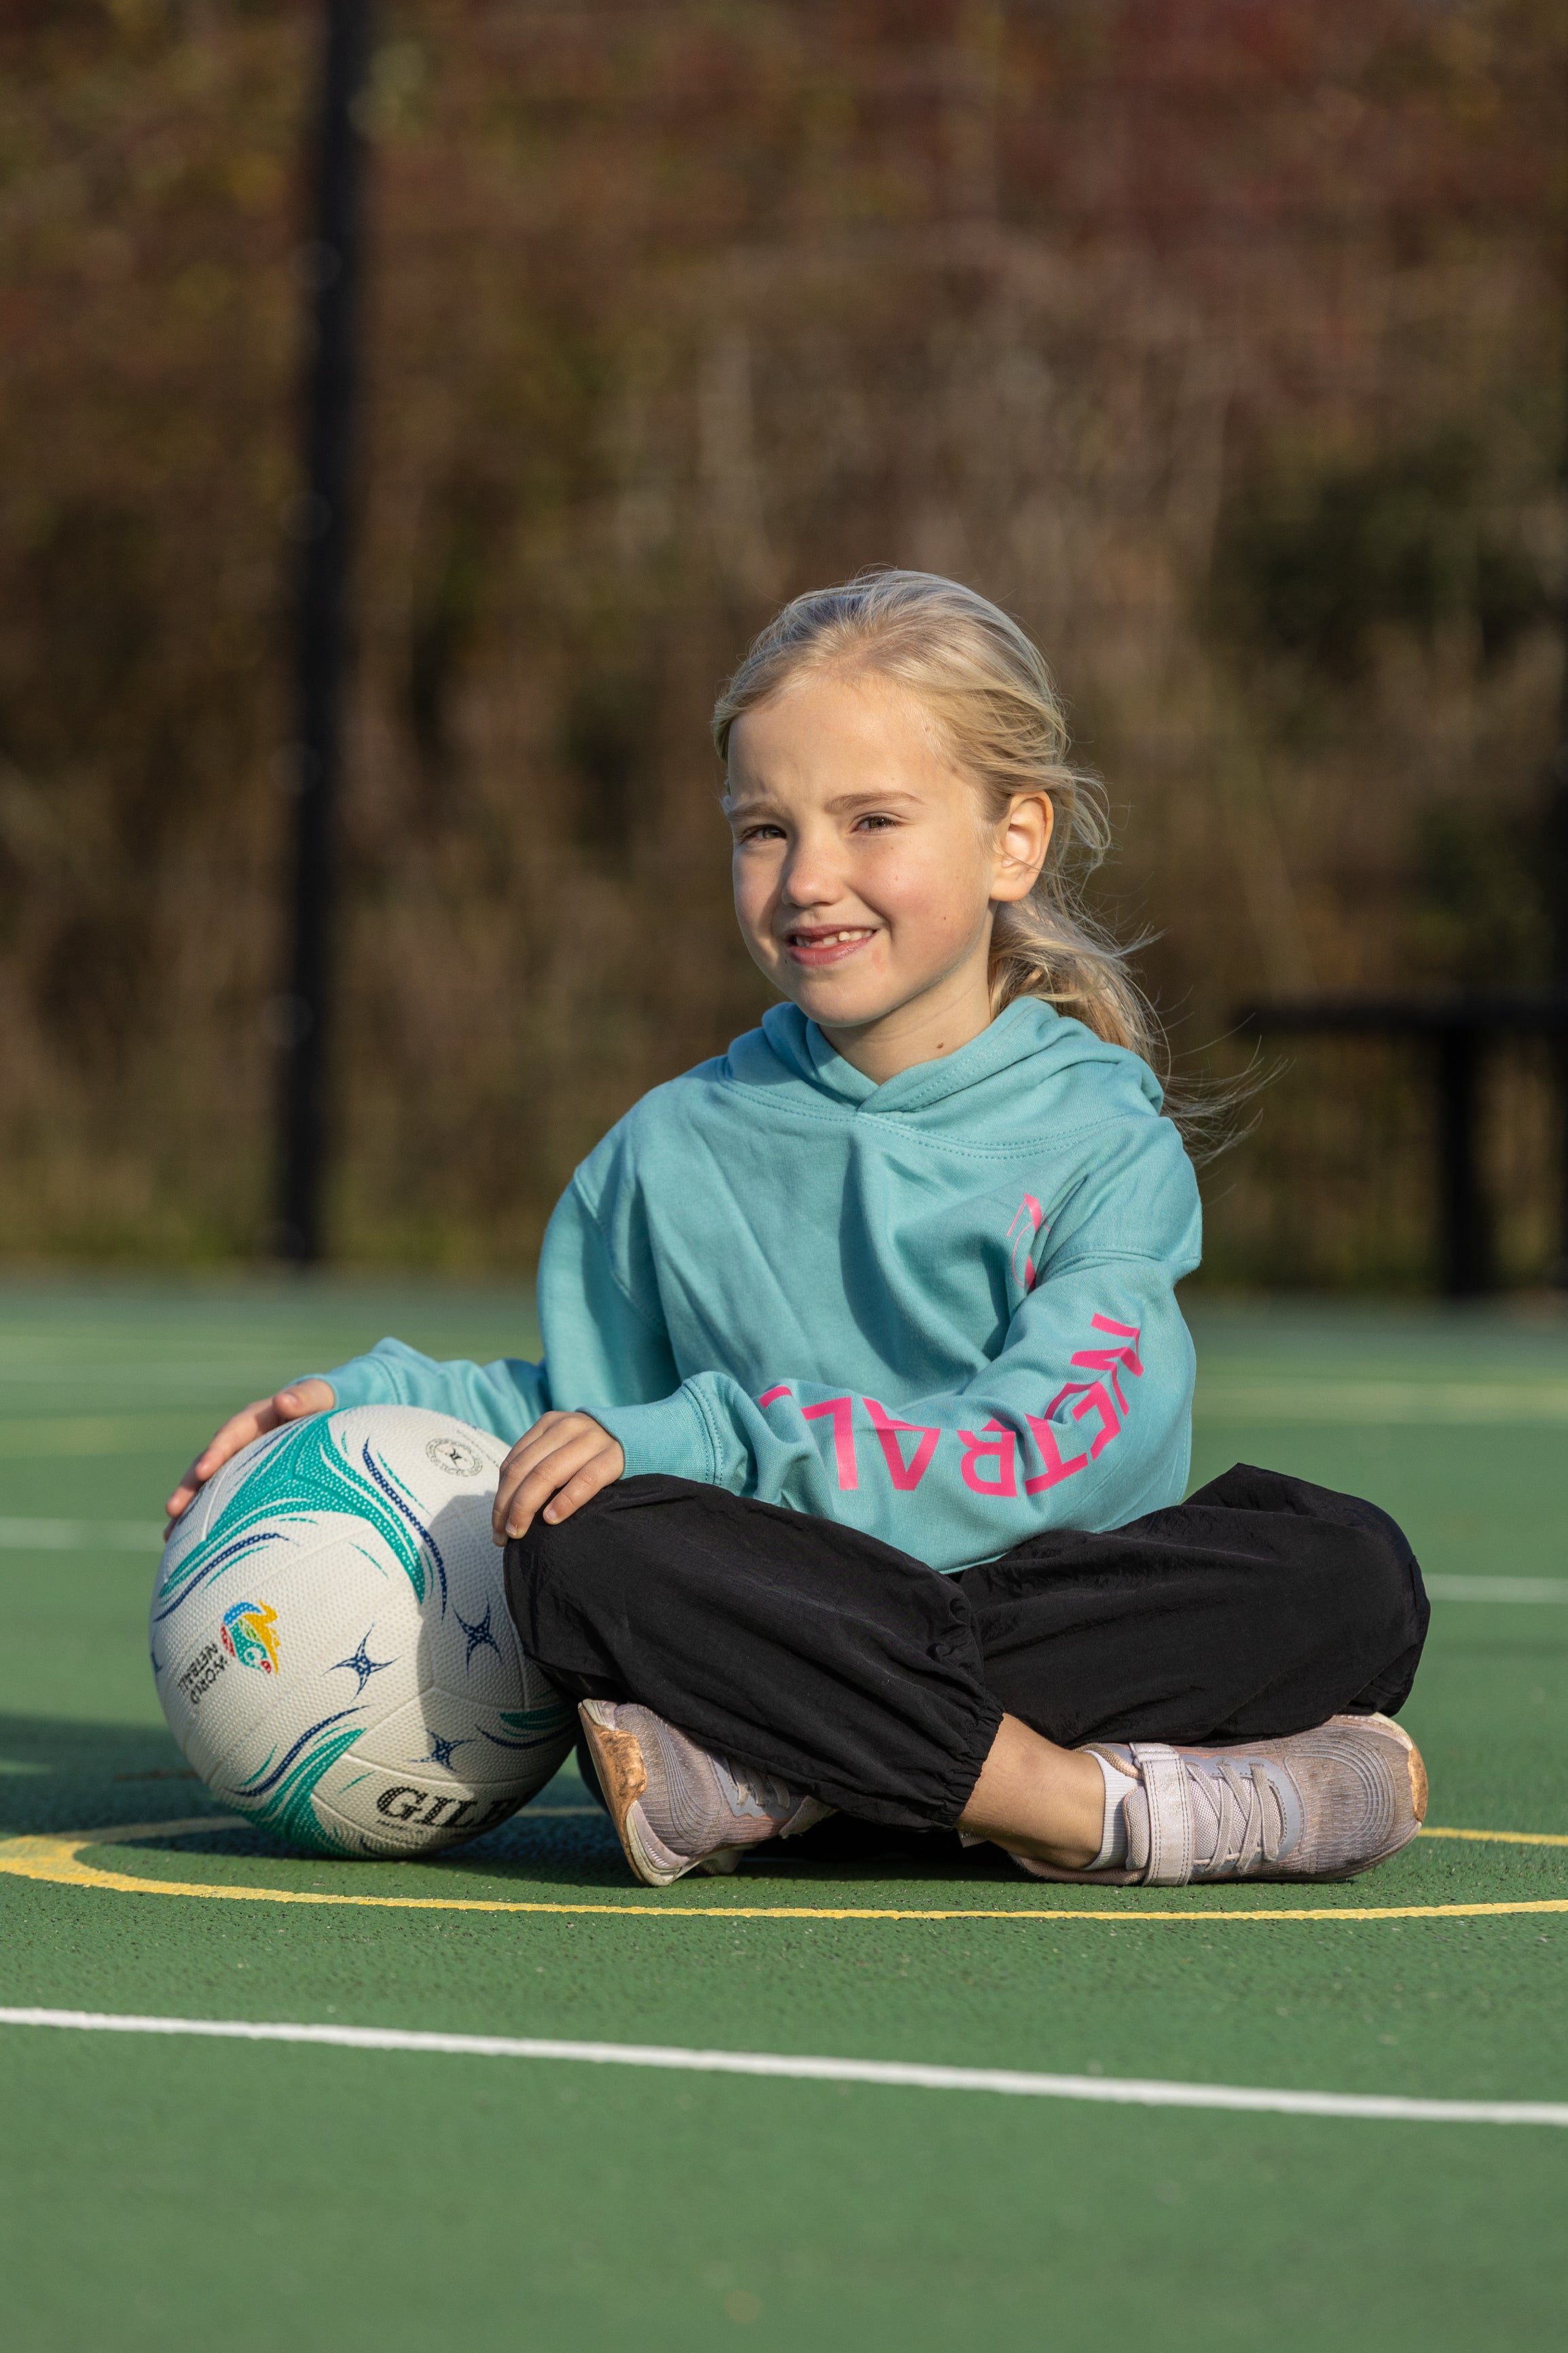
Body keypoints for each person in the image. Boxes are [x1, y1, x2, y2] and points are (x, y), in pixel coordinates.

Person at [168, 571, 1429, 1892]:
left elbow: (1057, 1459)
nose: (809, 879)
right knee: (578, 1542)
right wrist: (374, 1400)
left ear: (1015, 840)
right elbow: (601, 1416)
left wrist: (723, 1454)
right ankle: (1090, 1800)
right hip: (802, 1607)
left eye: (871, 820)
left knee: (1349, 1570)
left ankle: (805, 1774)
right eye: (763, 829)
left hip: (1043, 1596)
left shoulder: (1103, 1140)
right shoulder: (667, 1150)